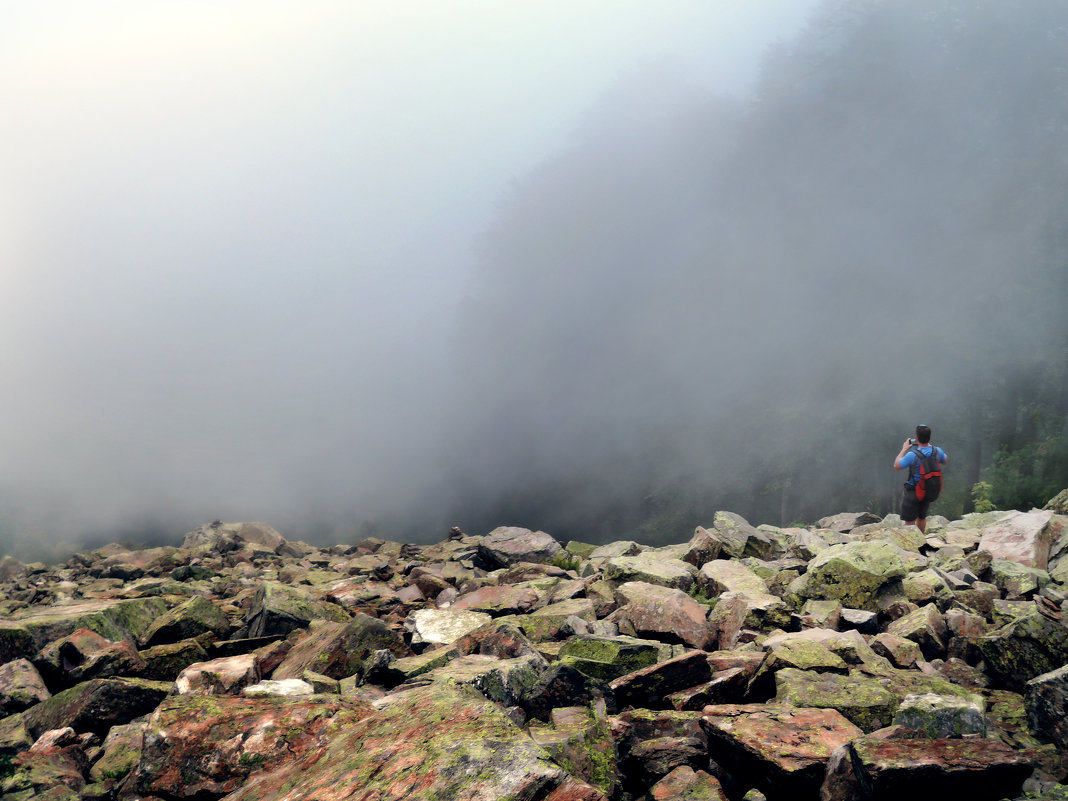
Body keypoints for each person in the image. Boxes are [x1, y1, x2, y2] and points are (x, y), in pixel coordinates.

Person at [894, 424, 948, 534]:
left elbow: (897, 466)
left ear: (916, 438)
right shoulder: (936, 451)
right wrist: (931, 447)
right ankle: (921, 540)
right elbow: (945, 460)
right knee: (922, 516)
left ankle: (912, 543)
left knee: (909, 521)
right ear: (929, 437)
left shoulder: (912, 455)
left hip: (913, 491)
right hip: (928, 489)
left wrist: (903, 449)